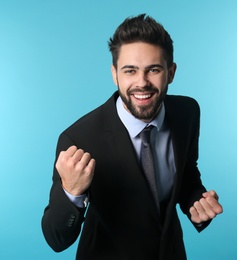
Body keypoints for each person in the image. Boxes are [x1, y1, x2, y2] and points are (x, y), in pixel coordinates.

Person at [41, 14, 223, 260]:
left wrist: (195, 201)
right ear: (115, 74)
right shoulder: (78, 139)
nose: (142, 83)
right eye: (130, 71)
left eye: (154, 70)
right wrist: (72, 192)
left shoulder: (187, 113)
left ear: (171, 72)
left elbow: (187, 173)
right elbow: (56, 239)